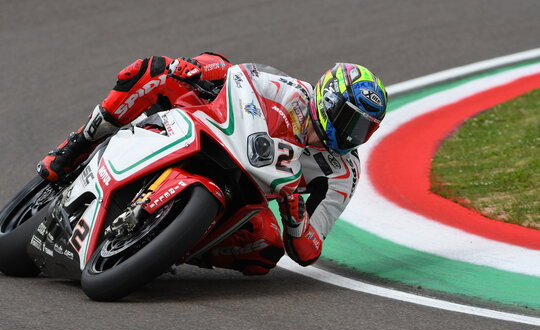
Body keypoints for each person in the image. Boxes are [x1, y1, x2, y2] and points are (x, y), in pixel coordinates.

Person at [37, 53, 388, 275]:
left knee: (266, 250)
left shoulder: (344, 172)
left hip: (248, 191)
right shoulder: (289, 90)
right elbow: (237, 75)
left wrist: (296, 218)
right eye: (348, 119)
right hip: (214, 128)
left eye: (363, 129)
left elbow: (311, 249)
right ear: (327, 100)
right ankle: (78, 144)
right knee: (156, 70)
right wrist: (200, 72)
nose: (351, 135)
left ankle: (176, 247)